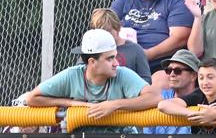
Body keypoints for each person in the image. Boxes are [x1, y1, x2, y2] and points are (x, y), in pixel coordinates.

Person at [25, 29, 160, 133]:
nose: (116, 63)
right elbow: (32, 98)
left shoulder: (122, 74)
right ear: (92, 62)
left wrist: (114, 105)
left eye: (115, 57)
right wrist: (71, 103)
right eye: (110, 58)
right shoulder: (72, 75)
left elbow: (155, 97)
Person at [110, 0, 193, 71]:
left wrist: (146, 55)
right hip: (121, 58)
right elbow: (105, 26)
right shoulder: (125, 0)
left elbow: (180, 38)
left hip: (161, 65)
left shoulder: (177, 0)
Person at [88, 8, 151, 83]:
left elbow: (146, 79)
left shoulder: (135, 50)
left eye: (108, 32)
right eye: (101, 33)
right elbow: (80, 73)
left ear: (118, 28)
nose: (105, 36)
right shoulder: (91, 49)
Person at [147, 49, 201, 134]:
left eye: (177, 71)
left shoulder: (204, 100)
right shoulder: (157, 99)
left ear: (193, 76)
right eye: (168, 70)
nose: (172, 74)